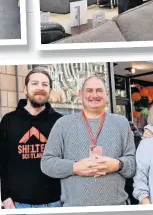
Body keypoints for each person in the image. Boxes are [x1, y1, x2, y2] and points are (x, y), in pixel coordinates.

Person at [41, 76, 136, 207]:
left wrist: (117, 164)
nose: (94, 95)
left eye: (99, 90)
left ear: (107, 95)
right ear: (80, 94)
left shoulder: (121, 123)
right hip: (75, 211)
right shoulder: (63, 124)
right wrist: (74, 167)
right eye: (89, 90)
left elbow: (133, 165)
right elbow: (46, 163)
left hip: (116, 209)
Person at [0, 69, 63, 209]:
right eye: (35, 83)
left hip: (55, 204)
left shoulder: (61, 122)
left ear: (49, 90)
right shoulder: (9, 121)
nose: (40, 88)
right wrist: (4, 196)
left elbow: (69, 162)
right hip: (17, 205)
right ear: (25, 89)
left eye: (45, 84)